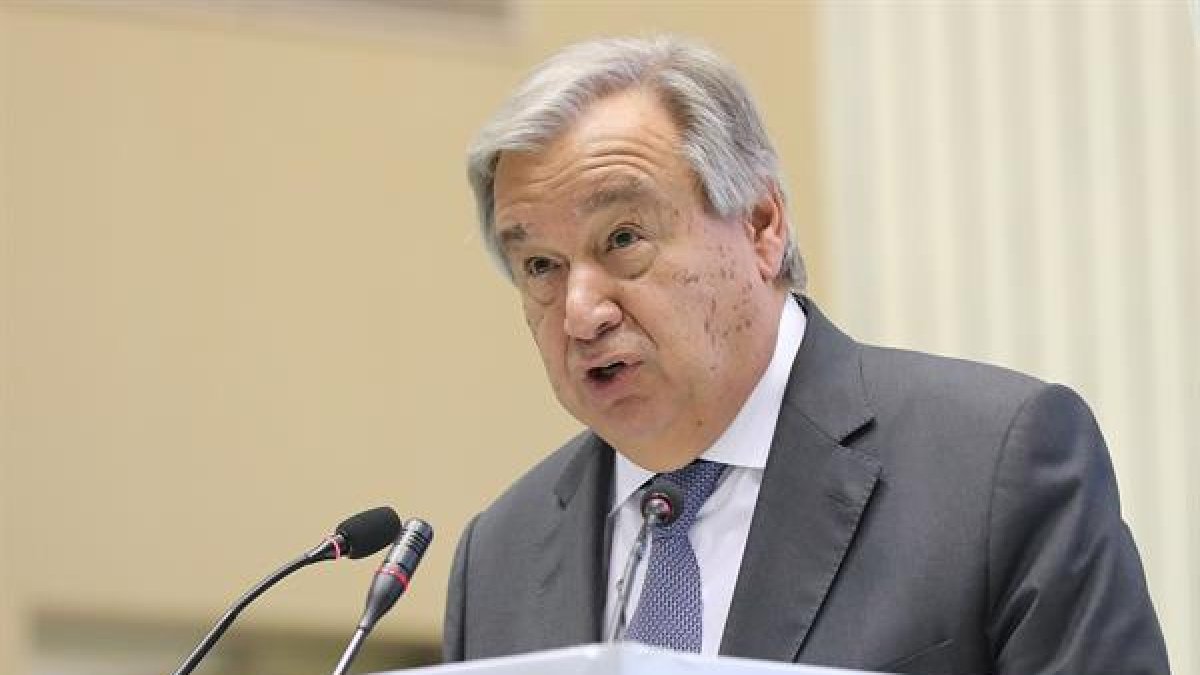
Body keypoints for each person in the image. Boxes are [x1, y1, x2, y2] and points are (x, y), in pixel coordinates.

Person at [443, 36, 1169, 674]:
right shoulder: (498, 558)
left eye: (623, 239)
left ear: (761, 224)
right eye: (540, 266)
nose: (581, 311)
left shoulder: (991, 470)